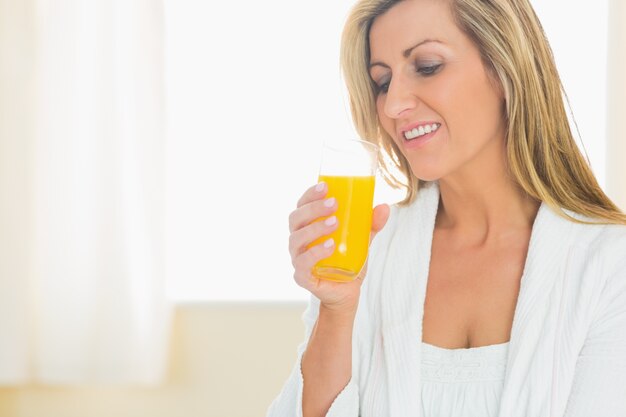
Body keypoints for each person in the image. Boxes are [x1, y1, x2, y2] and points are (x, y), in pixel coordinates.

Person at [268, 0, 626, 416]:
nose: (392, 105)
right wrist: (336, 308)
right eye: (382, 81)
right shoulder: (366, 253)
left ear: (505, 67)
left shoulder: (609, 265)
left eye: (427, 65)